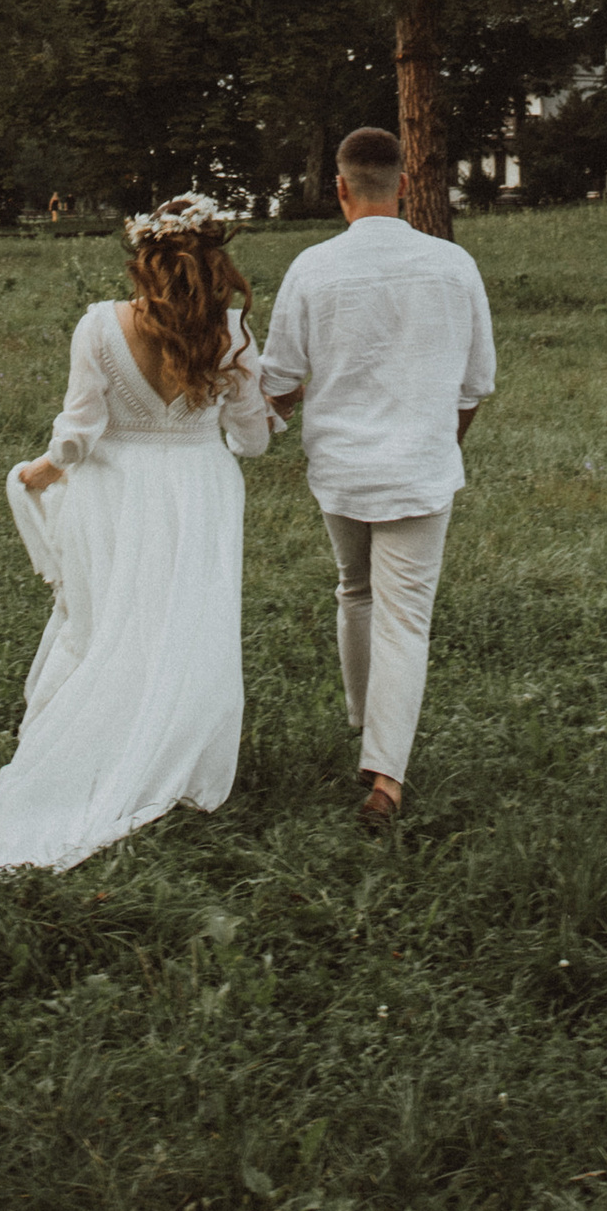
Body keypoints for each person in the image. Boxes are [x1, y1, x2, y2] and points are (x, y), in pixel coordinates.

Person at [0, 192, 272, 882]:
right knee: (185, 623)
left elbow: (76, 437)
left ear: (144, 259)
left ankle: (90, 743)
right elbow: (251, 443)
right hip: (198, 490)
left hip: (115, 490)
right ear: (215, 259)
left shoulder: (99, 328)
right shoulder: (233, 336)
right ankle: (176, 751)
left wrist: (35, 474)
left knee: (108, 621)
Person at [261, 124, 496, 832]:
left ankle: (369, 728)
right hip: (418, 469)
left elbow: (276, 380)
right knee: (404, 618)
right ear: (406, 185)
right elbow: (474, 384)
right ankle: (385, 776)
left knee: (354, 589)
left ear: (339, 188)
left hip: (342, 468)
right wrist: (435, 443)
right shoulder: (454, 266)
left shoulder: (311, 267)